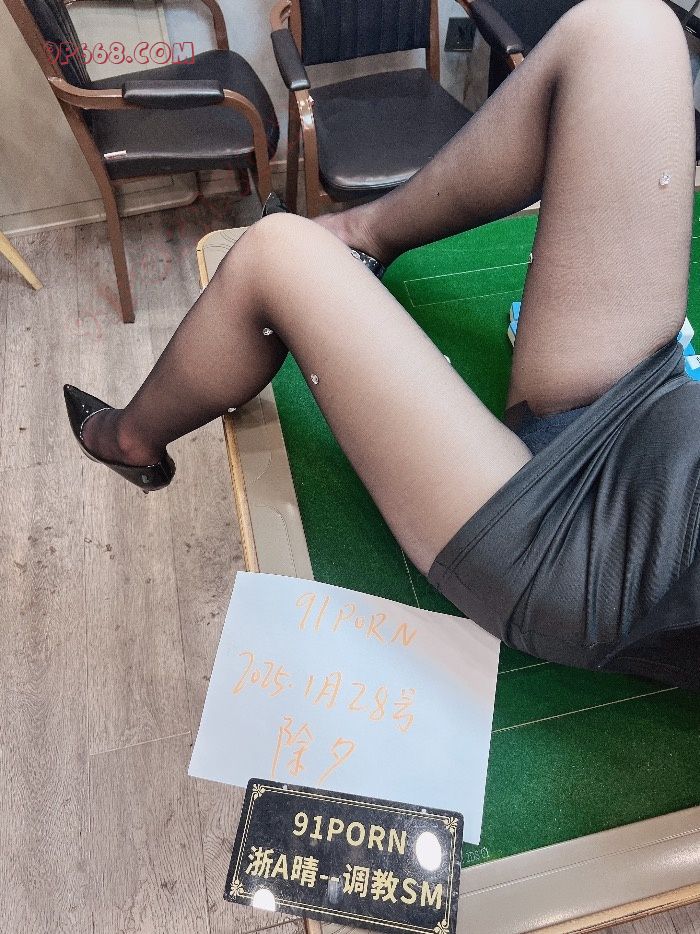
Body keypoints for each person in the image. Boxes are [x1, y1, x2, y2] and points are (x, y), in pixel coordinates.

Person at [64, 0, 699, 691]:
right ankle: (360, 234)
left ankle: (129, 441)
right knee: (626, 29)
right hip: (654, 412)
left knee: (275, 253)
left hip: (593, 557)